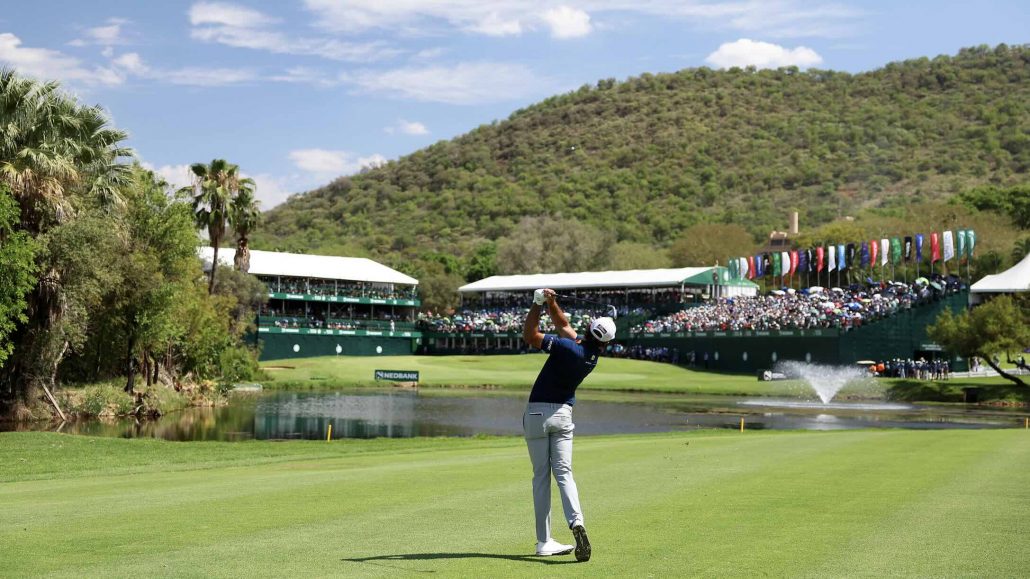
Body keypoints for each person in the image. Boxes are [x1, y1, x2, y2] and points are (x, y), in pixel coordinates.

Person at [521, 288, 615, 562]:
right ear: (605, 343)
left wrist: (537, 304)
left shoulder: (566, 347)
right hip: (563, 416)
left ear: (588, 329)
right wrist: (552, 302)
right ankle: (577, 522)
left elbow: (530, 336)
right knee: (564, 473)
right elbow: (562, 324)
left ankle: (544, 541)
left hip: (537, 414)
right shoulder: (590, 355)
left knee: (541, 477)